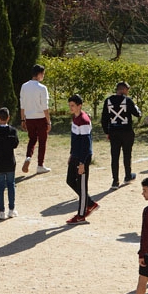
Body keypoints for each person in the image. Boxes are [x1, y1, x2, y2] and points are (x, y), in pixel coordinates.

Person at [101, 80, 142, 190]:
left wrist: (107, 132)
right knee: (127, 154)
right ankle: (127, 176)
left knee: (114, 156)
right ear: (123, 89)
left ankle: (115, 181)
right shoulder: (127, 100)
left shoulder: (108, 100)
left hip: (114, 132)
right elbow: (137, 114)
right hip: (127, 131)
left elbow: (104, 119)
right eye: (127, 89)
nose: (128, 92)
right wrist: (136, 106)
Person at [65, 94, 99, 224]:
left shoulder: (84, 121)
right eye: (70, 105)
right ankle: (90, 203)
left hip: (83, 158)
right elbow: (75, 140)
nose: (71, 108)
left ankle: (80, 215)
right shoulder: (75, 118)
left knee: (82, 186)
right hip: (75, 155)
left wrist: (82, 163)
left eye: (73, 105)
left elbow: (86, 144)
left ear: (80, 106)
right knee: (70, 180)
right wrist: (71, 154)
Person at [0, 107, 20, 220]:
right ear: (8, 118)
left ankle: (1, 212)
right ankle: (11, 210)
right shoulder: (13, 131)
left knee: (0, 187)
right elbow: (15, 144)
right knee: (11, 185)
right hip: (10, 162)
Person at [20, 64, 51, 174]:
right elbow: (45, 107)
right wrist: (48, 121)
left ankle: (28, 157)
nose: (43, 76)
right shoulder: (42, 88)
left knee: (32, 139)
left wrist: (22, 119)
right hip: (41, 118)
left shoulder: (24, 86)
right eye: (43, 74)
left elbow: (22, 105)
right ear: (39, 74)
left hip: (29, 118)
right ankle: (40, 165)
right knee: (42, 142)